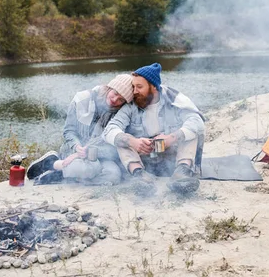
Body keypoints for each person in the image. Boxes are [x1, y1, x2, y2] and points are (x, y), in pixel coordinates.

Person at [103, 63, 205, 195]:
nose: (134, 91)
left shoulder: (174, 99)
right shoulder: (131, 105)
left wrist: (171, 138)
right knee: (121, 138)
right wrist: (133, 142)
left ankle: (182, 173)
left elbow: (197, 122)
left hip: (171, 159)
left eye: (139, 87)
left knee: (190, 132)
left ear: (154, 87)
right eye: (133, 87)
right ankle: (139, 176)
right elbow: (109, 130)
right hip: (145, 161)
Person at [27, 74, 134, 185]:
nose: (115, 99)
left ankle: (62, 174)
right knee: (90, 168)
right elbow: (69, 131)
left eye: (121, 100)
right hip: (73, 149)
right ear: (109, 87)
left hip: (99, 155)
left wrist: (91, 151)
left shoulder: (120, 115)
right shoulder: (82, 99)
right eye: (115, 93)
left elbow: (115, 149)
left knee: (113, 175)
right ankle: (49, 163)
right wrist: (77, 147)